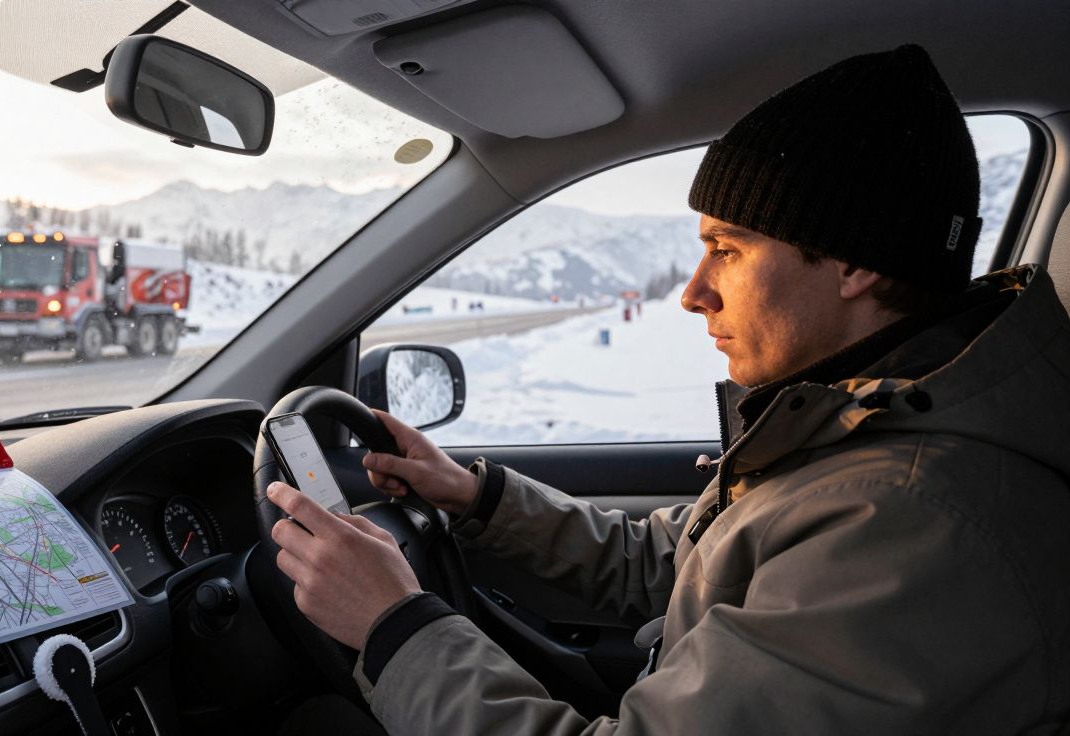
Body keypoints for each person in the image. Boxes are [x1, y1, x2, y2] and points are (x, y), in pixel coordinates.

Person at [268, 44, 1070, 734]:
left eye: (729, 249)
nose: (693, 293)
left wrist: (395, 626)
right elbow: (680, 565)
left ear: (855, 262)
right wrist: (477, 498)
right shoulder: (860, 425)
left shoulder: (908, 521)